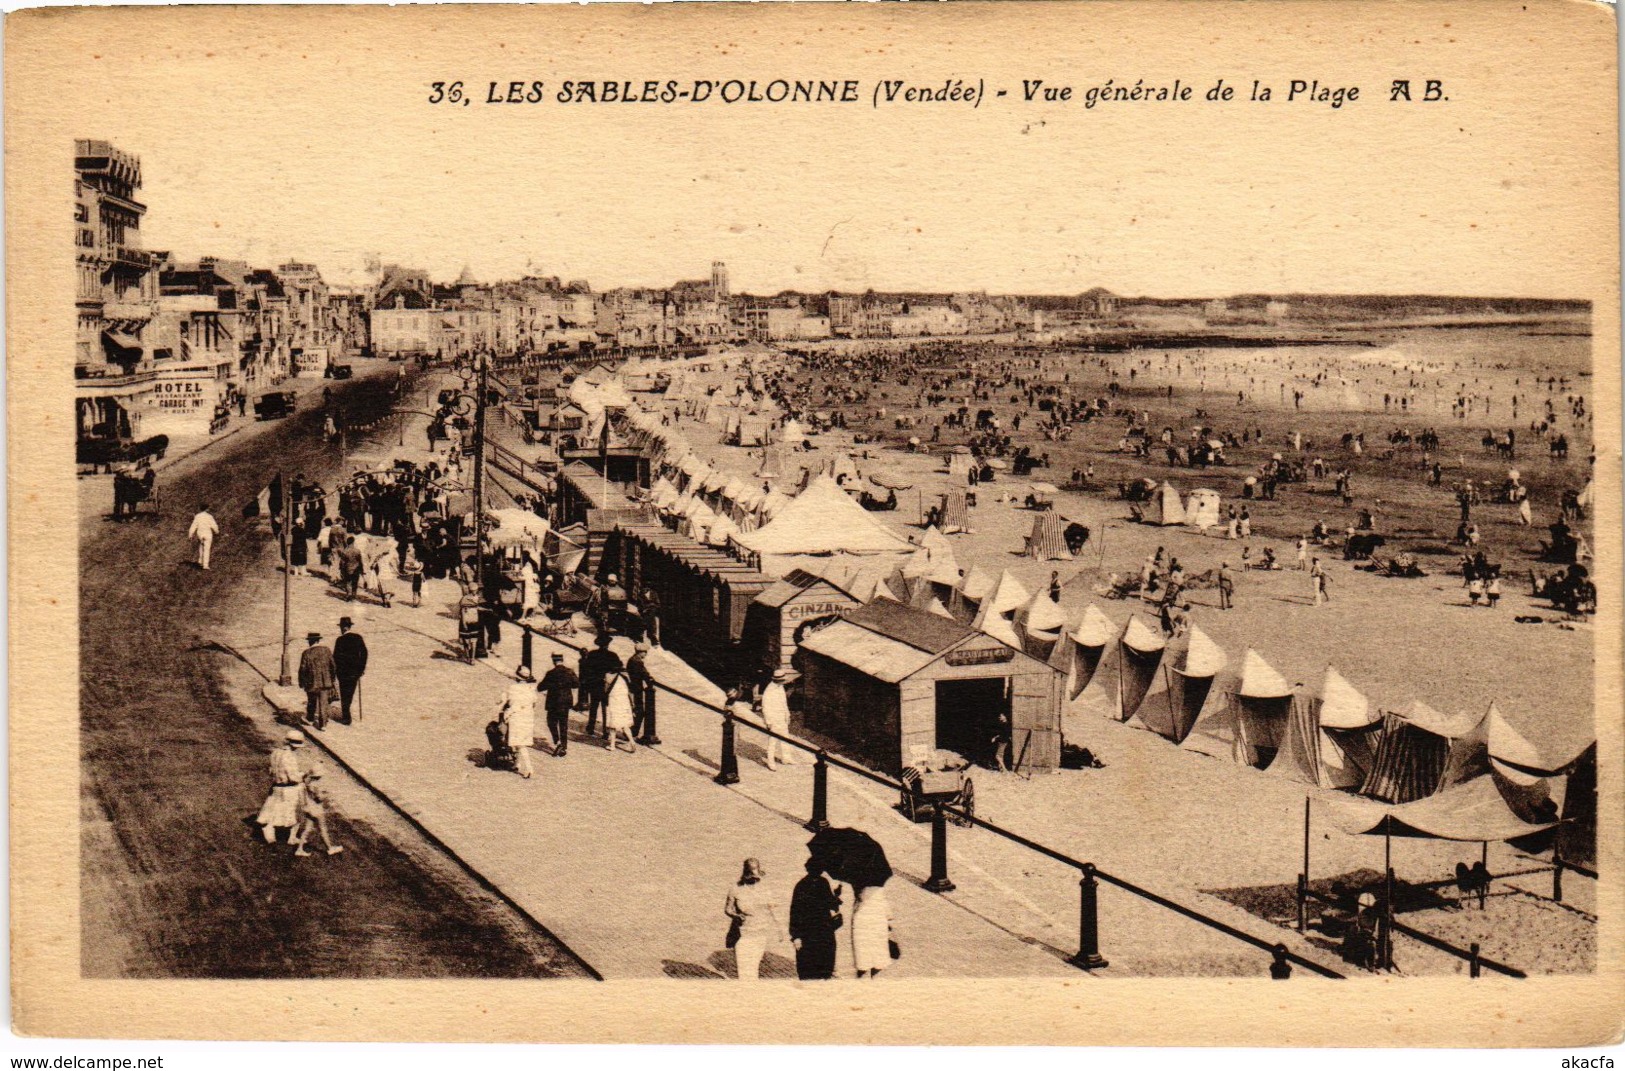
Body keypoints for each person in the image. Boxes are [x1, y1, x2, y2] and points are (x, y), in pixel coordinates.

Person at [724, 858, 782, 983]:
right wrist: (736, 915)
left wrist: (780, 930)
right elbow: (728, 909)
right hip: (742, 934)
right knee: (743, 969)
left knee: (753, 968)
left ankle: (752, 995)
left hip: (760, 933)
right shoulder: (735, 889)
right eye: (751, 876)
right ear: (745, 874)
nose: (754, 880)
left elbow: (774, 910)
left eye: (756, 877)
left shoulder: (765, 889)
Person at [789, 859, 843, 981]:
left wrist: (796, 936)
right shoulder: (823, 883)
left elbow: (795, 912)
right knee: (824, 971)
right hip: (824, 933)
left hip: (807, 934)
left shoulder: (801, 885)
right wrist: (837, 894)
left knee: (807, 972)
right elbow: (832, 905)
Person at [255, 729, 308, 844]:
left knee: (274, 811)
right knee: (296, 813)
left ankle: (269, 831)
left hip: (276, 786)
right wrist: (305, 775)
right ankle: (291, 837)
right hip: (289, 788)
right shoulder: (289, 756)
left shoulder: (275, 753)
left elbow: (270, 770)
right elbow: (293, 777)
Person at [495, 665, 537, 778]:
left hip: (516, 717)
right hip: (528, 717)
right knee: (521, 741)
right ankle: (516, 764)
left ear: (517, 677)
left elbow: (503, 701)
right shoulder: (531, 689)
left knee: (520, 744)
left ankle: (529, 769)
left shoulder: (512, 688)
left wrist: (502, 711)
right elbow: (534, 703)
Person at [290, 772, 344, 857]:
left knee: (307, 829)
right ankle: (330, 848)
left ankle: (299, 849)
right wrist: (327, 795)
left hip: (309, 808)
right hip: (317, 809)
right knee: (323, 829)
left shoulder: (306, 784)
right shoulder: (315, 785)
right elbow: (319, 798)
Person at [579, 633, 622, 738]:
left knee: (594, 706)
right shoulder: (612, 655)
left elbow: (586, 667)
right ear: (608, 645)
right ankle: (605, 730)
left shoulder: (592, 654)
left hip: (594, 684)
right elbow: (619, 666)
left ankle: (590, 727)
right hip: (606, 685)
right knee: (605, 708)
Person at [850, 881, 895, 980]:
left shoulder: (860, 891)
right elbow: (888, 913)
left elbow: (856, 909)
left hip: (861, 923)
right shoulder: (879, 891)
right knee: (878, 954)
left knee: (862, 954)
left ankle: (861, 978)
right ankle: (874, 978)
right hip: (878, 922)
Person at [540, 652, 578, 756]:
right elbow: (576, 684)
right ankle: (564, 747)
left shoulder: (551, 673)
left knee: (551, 722)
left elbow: (541, 687)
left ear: (553, 661)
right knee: (563, 724)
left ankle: (557, 742)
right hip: (565, 702)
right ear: (562, 660)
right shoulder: (569, 671)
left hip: (553, 702)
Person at [298, 631, 337, 731]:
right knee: (324, 702)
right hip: (325, 682)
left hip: (312, 683)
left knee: (311, 701)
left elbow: (303, 669)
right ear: (318, 640)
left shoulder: (306, 653)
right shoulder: (326, 650)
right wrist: (332, 679)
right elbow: (333, 666)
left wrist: (302, 682)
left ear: (310, 642)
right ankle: (323, 724)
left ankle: (310, 718)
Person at [332, 616, 368, 725]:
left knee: (344, 694)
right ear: (350, 626)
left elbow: (335, 657)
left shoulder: (340, 640)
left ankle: (346, 717)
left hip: (343, 673)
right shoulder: (358, 637)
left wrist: (336, 671)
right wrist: (361, 668)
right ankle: (346, 714)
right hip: (355, 673)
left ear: (342, 628)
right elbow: (364, 653)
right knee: (350, 693)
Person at [759, 668, 794, 770]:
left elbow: (784, 703)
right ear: (777, 680)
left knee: (785, 738)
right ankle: (770, 762)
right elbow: (765, 707)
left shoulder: (780, 687)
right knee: (773, 741)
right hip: (773, 719)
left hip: (781, 717)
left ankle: (786, 758)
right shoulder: (769, 691)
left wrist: (787, 715)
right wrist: (768, 722)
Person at [627, 642, 658, 744]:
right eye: (645, 652)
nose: (646, 654)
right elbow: (643, 673)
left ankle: (631, 731)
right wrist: (650, 680)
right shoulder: (637, 662)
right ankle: (632, 733)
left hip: (634, 688)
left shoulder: (633, 659)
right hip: (637, 689)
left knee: (637, 711)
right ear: (641, 652)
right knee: (640, 711)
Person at [602, 665, 637, 753]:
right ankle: (632, 741)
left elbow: (605, 690)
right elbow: (629, 691)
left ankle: (612, 745)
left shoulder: (608, 676)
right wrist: (632, 704)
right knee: (624, 724)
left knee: (612, 724)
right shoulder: (625, 676)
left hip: (613, 701)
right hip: (624, 701)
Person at [188, 503, 220, 571]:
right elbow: (213, 525)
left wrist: (190, 534)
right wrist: (216, 531)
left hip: (200, 533)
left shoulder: (197, 516)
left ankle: (200, 561)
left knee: (201, 547)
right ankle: (205, 565)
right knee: (207, 549)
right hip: (207, 533)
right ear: (207, 509)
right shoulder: (209, 516)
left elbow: (194, 525)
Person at [336, 535, 364, 601]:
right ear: (353, 543)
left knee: (348, 582)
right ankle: (353, 596)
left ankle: (348, 594)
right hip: (356, 569)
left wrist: (341, 569)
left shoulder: (345, 551)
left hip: (347, 569)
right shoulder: (357, 551)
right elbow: (360, 561)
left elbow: (342, 562)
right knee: (355, 583)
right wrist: (362, 569)